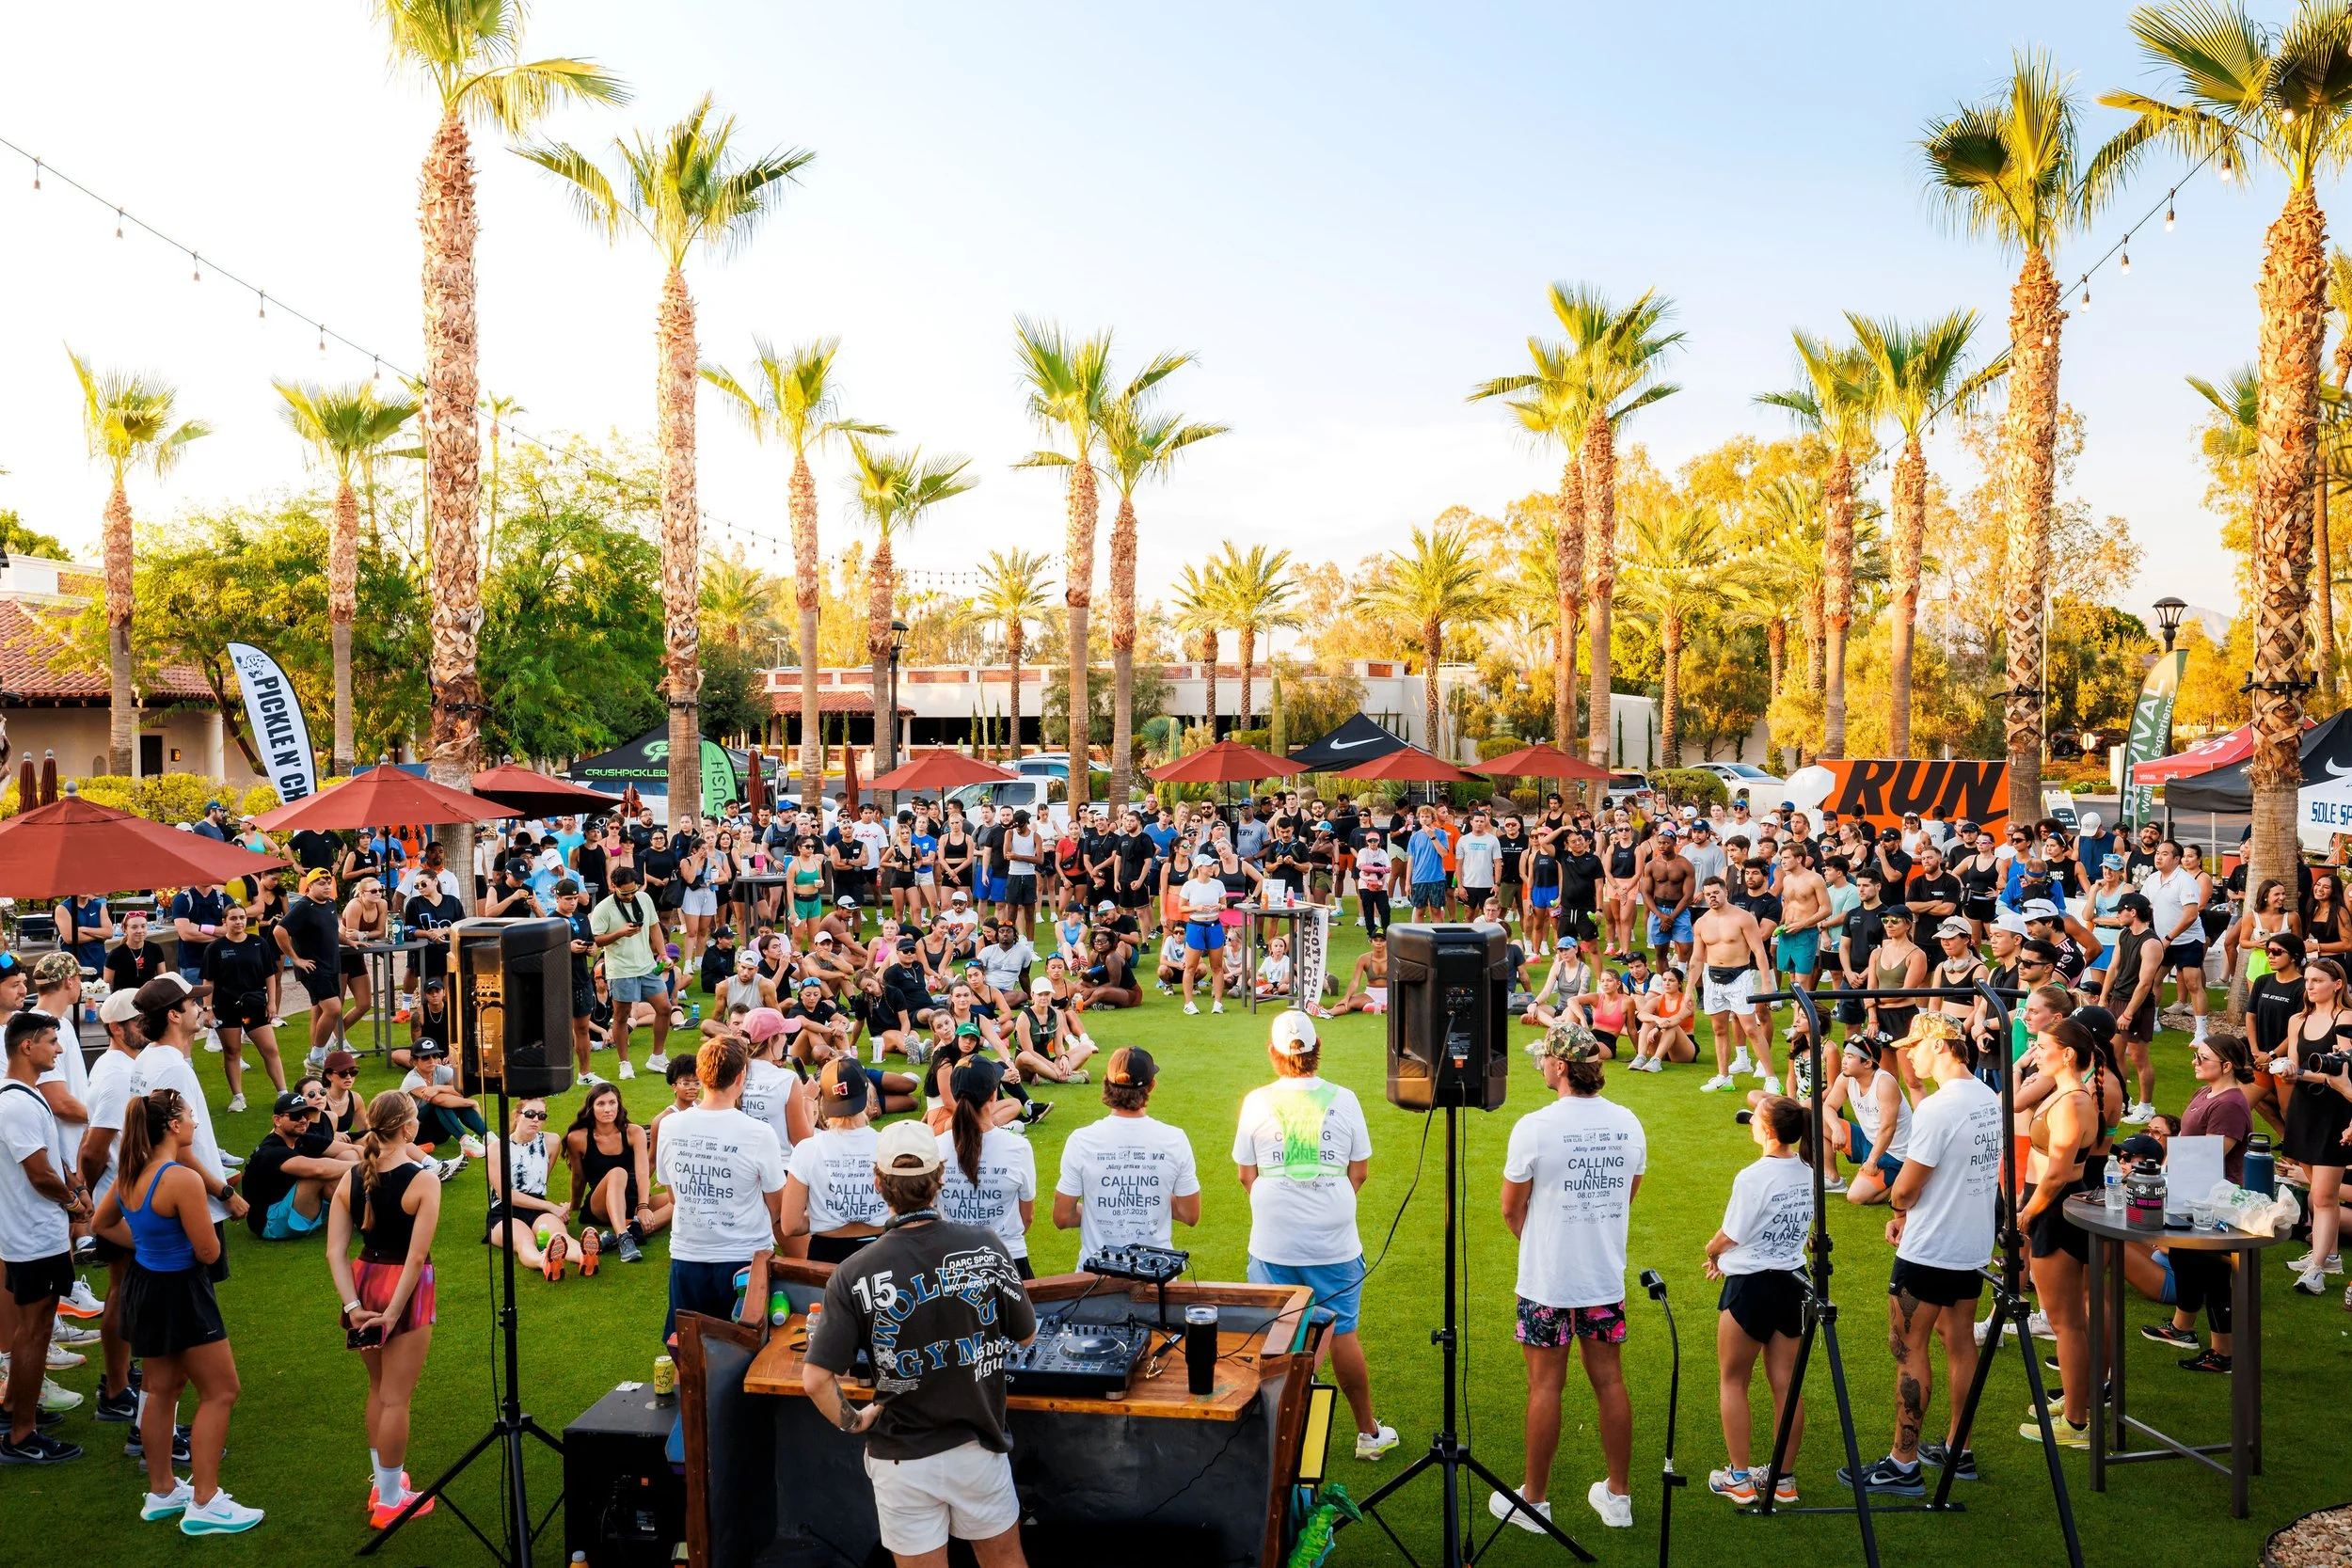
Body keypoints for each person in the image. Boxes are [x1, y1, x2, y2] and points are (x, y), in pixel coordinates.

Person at [802, 1120, 1039, 1568]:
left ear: (878, 1183)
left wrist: (855, 1423)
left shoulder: (852, 1272)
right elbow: (1026, 1333)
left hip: (901, 1461)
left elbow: (815, 1380)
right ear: (940, 1176)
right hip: (979, 1449)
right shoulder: (986, 1246)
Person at [90, 1085, 262, 1531]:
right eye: (189, 1115)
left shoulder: (131, 1174)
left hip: (146, 1288)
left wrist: (146, 1245)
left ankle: (163, 1491)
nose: (195, 1122)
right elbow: (207, 1252)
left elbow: (99, 1223)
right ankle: (205, 1503)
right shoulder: (181, 1179)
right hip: (181, 1292)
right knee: (222, 1391)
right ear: (172, 1125)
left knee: (160, 1390)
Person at [1495, 1024, 1645, 1533]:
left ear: (1560, 1067)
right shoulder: (1628, 1122)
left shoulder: (1534, 1126)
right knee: (1610, 1382)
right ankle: (1618, 1497)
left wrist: (1544, 1245)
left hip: (1548, 1282)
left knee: (1545, 1386)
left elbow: (1511, 1210)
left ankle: (1534, 1502)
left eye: (1544, 1060)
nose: (1540, 1065)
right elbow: (1628, 1193)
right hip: (1603, 1276)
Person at [1844, 1018, 2001, 1495]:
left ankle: (1903, 1463)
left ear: (1941, 1046)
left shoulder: (1937, 1107)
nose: (1908, 1056)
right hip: (1971, 1244)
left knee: (1907, 1350)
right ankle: (1959, 1447)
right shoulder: (1988, 1099)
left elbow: (1908, 1187)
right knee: (1960, 1344)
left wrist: (1898, 1209)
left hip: (1931, 1249)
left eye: (1915, 1047)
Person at [1232, 1011, 1396, 1461]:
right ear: (1317, 1044)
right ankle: (1367, 1432)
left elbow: (1247, 1175)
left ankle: (1266, 1433)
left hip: (1273, 1239)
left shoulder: (1256, 1101)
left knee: (1274, 1337)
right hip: (1333, 1240)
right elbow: (1357, 1173)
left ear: (1273, 1052)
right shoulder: (1344, 1099)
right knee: (1341, 1333)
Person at [326, 1089, 444, 1528]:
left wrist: (353, 1305)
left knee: (378, 1390)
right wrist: (394, 1314)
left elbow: (334, 1253)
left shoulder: (351, 1176)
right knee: (397, 1398)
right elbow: (416, 1257)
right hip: (403, 1290)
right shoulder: (424, 1180)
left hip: (365, 1281)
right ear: (410, 1128)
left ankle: (383, 1485)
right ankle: (393, 1500)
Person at [1703, 1093, 1810, 1507]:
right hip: (1792, 1285)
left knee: (1733, 1380)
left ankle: (1740, 1479)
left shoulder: (1752, 1176)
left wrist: (1714, 1253)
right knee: (1786, 1384)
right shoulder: (1807, 1171)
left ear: (1767, 1131)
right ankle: (1783, 1480)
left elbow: (1731, 1234)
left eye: (1755, 1121)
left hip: (1750, 1288)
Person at [2014, 1018, 2112, 1449]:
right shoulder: (2067, 1093)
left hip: (2055, 1208)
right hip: (2056, 1205)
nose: (2034, 1052)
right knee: (2070, 1318)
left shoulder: (2073, 1102)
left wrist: (2027, 1213)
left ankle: (2075, 1423)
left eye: (2041, 1045)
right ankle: (2079, 1403)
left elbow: (2056, 1175)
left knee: (2064, 1323)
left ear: (2067, 1053)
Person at [0, 1010, 92, 1466]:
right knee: (34, 1332)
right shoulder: (15, 1103)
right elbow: (39, 1174)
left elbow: (50, 1163)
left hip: (37, 1234)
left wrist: (73, 1185)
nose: (59, 1049)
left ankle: (17, 1409)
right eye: (52, 1041)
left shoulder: (26, 1096)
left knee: (31, 1330)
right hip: (33, 1238)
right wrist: (75, 1203)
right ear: (26, 1047)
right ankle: (22, 1437)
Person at [654, 1037, 787, 1346]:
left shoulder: (670, 1126)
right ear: (741, 1077)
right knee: (745, 1353)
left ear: (701, 1077)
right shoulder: (758, 1133)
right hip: (744, 1258)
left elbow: (673, 1195)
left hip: (688, 1256)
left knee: (685, 1349)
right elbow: (775, 1206)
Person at [2146, 1034, 2256, 1365]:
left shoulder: (2230, 1104)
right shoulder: (2205, 1092)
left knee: (2212, 1272)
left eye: (2202, 1058)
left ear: (2226, 1065)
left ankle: (2223, 1352)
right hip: (2190, 1192)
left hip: (2214, 1199)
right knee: (2184, 1258)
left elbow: (2211, 1155)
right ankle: (2183, 1328)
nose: (2195, 1062)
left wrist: (2168, 1176)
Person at [1053, 1047, 1200, 1269]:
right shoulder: (1174, 1139)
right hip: (1156, 1277)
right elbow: (1190, 1214)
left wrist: (1100, 1209)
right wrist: (1151, 1199)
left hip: (1095, 1279)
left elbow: (1063, 1217)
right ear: (1151, 1086)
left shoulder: (1081, 1140)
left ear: (1106, 1083)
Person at [2277, 957, 2352, 1295]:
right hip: (2303, 1107)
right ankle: (2331, 1255)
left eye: (2317, 980)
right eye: (2307, 980)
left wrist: (2300, 1073)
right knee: (2317, 1190)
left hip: (2334, 1110)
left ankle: (2318, 1269)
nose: (2309, 986)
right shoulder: (2297, 1019)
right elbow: (2294, 1060)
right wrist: (2285, 1068)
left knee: (2323, 1196)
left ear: (2337, 984)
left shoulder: (2346, 1019)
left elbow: (2343, 1074)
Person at [780, 1058, 892, 1263]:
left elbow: (791, 1224)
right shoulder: (888, 1143)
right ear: (867, 1093)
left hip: (827, 1253)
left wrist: (824, 1217)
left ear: (823, 1100)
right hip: (880, 1251)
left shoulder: (808, 1149)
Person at [934, 1059, 1039, 1278]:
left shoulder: (936, 1147)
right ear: (993, 1096)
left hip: (952, 1262)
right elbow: (1026, 1218)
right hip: (1008, 1257)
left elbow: (932, 1210)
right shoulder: (1018, 1148)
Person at [563, 1081, 666, 1269]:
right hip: (601, 1205)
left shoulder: (635, 1132)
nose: (607, 1109)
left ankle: (629, 1232)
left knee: (682, 1200)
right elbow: (578, 1177)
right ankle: (624, 1238)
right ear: (591, 1108)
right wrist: (574, 1206)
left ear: (619, 1105)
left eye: (612, 1103)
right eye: (601, 1104)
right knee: (618, 1173)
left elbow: (643, 1173)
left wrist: (643, 1206)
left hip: (634, 1201)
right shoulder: (577, 1138)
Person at [199, 903, 284, 1112]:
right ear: (224, 921)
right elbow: (208, 982)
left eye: (242, 918)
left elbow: (270, 975)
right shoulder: (215, 948)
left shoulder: (258, 943)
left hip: (254, 1004)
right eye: (233, 918)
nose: (238, 922)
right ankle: (238, 1097)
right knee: (232, 1051)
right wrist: (207, 1009)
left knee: (270, 1049)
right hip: (226, 1006)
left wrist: (272, 1002)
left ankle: (283, 1094)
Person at [1693, 877, 1773, 1094]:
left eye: (1716, 893)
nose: (1712, 897)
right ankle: (1723, 1076)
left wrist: (1766, 983)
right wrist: (1689, 990)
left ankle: (1770, 1077)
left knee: (1750, 1028)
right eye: (1708, 893)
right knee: (1719, 1029)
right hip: (1712, 977)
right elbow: (1697, 958)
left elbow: (1759, 950)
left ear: (1725, 892)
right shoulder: (1701, 922)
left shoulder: (1743, 918)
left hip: (1739, 975)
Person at [243, 1091, 358, 1241]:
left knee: (348, 1156)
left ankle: (368, 1213)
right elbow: (319, 1169)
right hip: (270, 1223)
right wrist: (366, 1166)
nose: (303, 1120)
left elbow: (352, 1150)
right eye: (296, 1116)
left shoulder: (300, 1138)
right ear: (277, 1120)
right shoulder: (271, 1151)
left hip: (291, 1206)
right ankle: (370, 1216)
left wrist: (382, 1158)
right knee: (319, 1175)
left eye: (307, 1115)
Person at [591, 865, 671, 1081]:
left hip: (646, 966)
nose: (630, 896)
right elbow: (596, 939)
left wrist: (662, 955)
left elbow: (654, 926)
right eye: (625, 893)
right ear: (613, 886)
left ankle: (657, 1057)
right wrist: (620, 933)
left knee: (665, 1008)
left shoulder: (644, 899)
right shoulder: (603, 908)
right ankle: (624, 1063)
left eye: (633, 891)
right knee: (621, 1016)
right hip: (621, 970)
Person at [483, 1097, 576, 1282]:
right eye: (530, 1114)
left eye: (541, 1116)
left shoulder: (551, 1141)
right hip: (504, 1210)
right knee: (525, 1241)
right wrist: (551, 1206)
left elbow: (541, 1182)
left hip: (537, 1207)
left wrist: (554, 1208)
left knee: (559, 1235)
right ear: (517, 1116)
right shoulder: (496, 1148)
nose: (536, 1120)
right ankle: (545, 1263)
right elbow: (505, 1195)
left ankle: (585, 1256)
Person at [2097, 893, 2165, 1126]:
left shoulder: (2151, 943)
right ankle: (2123, 1099)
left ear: (2132, 912)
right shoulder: (2124, 935)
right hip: (2117, 1000)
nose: (2117, 915)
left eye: (2120, 910)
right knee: (2113, 1055)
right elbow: (2113, 968)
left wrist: (2129, 1013)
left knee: (2139, 1058)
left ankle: (2146, 1107)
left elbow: (2145, 983)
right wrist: (2104, 998)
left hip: (2137, 1005)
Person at [1824, 1037, 1912, 1205]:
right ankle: (1833, 1179)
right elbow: (1827, 1107)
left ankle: (1901, 1180)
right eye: (1845, 1055)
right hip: (1868, 1139)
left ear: (1867, 1063)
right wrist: (1836, 1129)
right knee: (1816, 1120)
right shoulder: (1845, 1078)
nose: (1844, 1061)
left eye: (1850, 1057)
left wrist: (1872, 1161)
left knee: (1855, 1197)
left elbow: (1888, 1129)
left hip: (1894, 1153)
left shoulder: (1884, 1083)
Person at [398, 1041, 487, 1162]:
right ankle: (465, 1141)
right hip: (415, 1134)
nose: (432, 1060)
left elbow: (462, 1091)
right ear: (414, 1061)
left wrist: (438, 1088)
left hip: (442, 1133)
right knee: (439, 1105)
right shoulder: (412, 1080)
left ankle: (488, 1137)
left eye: (435, 1056)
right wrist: (471, 1103)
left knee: (455, 1103)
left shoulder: (441, 1070)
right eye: (425, 1057)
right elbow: (440, 1101)